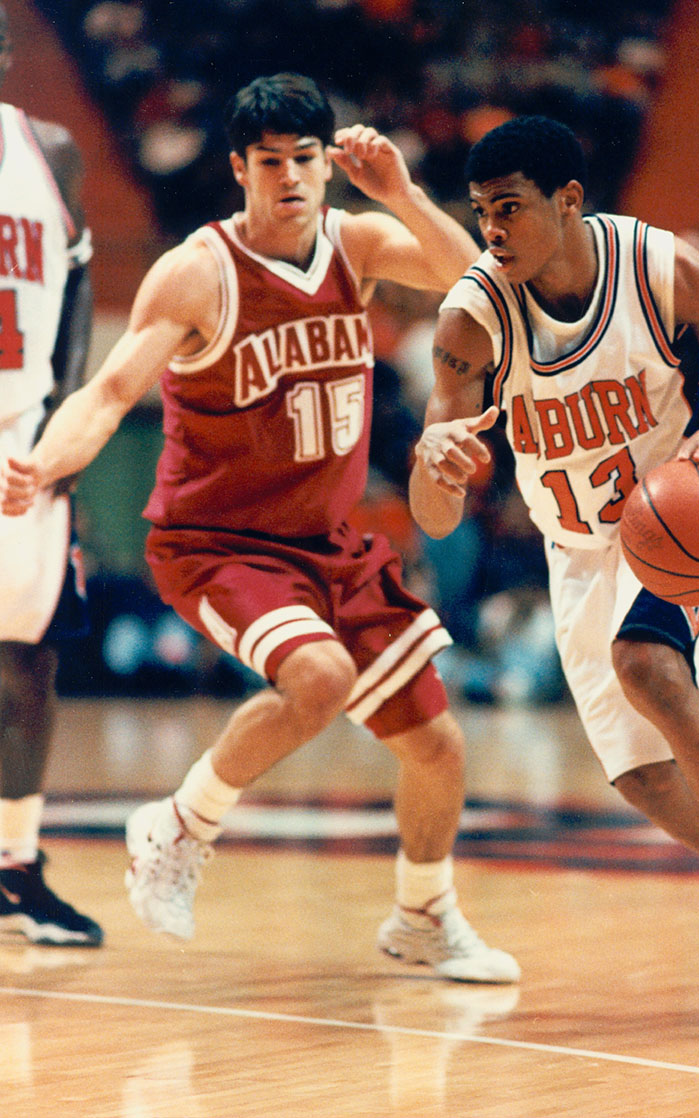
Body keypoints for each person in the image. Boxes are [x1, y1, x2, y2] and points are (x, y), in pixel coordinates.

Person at [0, 73, 518, 983]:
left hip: (327, 542)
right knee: (319, 676)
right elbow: (111, 391)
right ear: (240, 168)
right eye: (270, 162)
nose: (289, 178)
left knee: (436, 745)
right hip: (219, 543)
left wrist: (401, 193)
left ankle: (424, 914)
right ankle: (179, 824)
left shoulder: (356, 243)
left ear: (327, 165)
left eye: (304, 159)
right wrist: (44, 464)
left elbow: (471, 276)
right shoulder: (198, 272)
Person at [409, 115, 699, 1024]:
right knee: (642, 778)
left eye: (510, 208)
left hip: (676, 516)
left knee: (644, 664)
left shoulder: (663, 271)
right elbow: (434, 515)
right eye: (481, 212)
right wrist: (435, 463)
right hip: (575, 546)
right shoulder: (471, 319)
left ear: (569, 200)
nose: (491, 230)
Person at [0, 4, 102, 946]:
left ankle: (16, 864)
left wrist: (64, 424)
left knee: (29, 659)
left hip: (24, 444)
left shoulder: (51, 151)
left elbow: (78, 289)